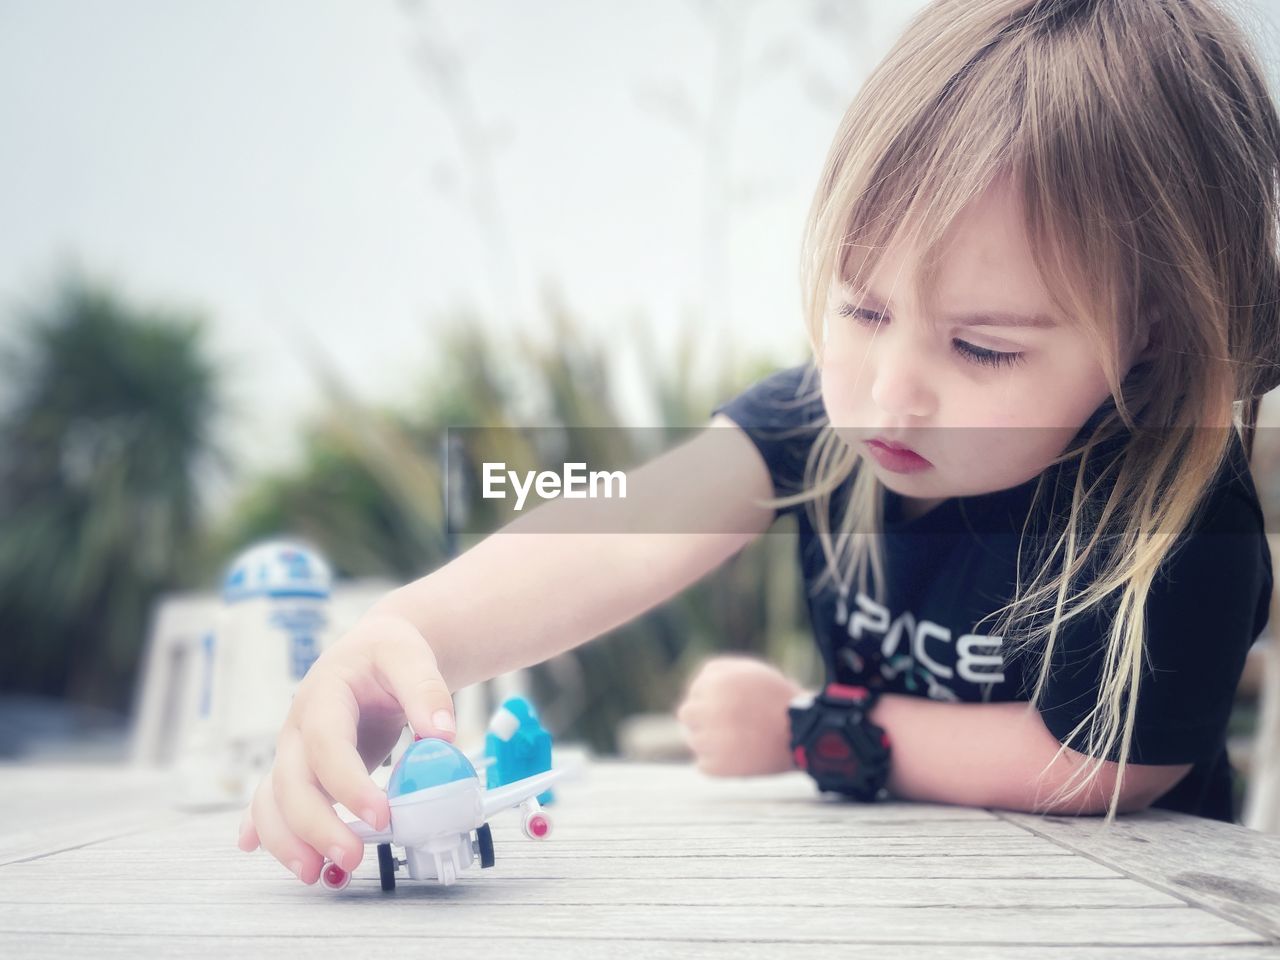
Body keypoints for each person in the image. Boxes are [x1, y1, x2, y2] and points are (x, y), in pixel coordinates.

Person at [238, 0, 1280, 883]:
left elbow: (1094, 767)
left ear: (1152, 337)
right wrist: (403, 640)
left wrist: (809, 731)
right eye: (861, 312)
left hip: (1120, 907)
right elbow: (627, 521)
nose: (885, 395)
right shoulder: (821, 428)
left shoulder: (1177, 521)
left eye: (979, 347)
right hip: (885, 895)